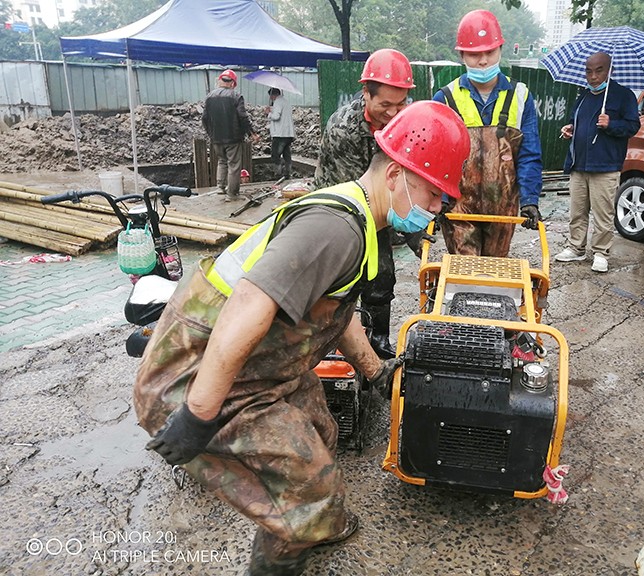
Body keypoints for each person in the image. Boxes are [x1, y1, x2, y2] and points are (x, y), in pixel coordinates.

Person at [134, 100, 471, 576]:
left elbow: (334, 309)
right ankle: (292, 542)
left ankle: (318, 523)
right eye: (434, 194)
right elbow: (248, 303)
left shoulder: (363, 218)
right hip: (194, 377)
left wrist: (376, 372)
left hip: (264, 366)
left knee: (322, 431)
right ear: (396, 174)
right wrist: (199, 414)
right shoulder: (335, 228)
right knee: (306, 489)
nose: (436, 209)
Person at [314, 48, 416, 359]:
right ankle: (331, 341)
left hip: (379, 205)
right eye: (385, 104)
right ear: (366, 94)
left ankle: (378, 339)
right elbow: (359, 197)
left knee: (382, 274)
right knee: (341, 279)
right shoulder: (344, 129)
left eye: (401, 103)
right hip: (339, 208)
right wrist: (399, 225)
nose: (394, 112)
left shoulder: (405, 122)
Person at [433, 9, 543, 257]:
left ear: (500, 49)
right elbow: (437, 157)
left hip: (503, 210)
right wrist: (438, 199)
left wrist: (530, 200)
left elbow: (529, 154)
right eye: (474, 54)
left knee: (495, 270)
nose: (483, 61)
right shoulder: (446, 98)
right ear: (462, 55)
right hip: (458, 209)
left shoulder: (521, 97)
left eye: (490, 52)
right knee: (465, 270)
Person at [554, 52, 640, 273]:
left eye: (599, 70)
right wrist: (570, 129)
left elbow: (633, 126)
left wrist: (612, 124)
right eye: (589, 71)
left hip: (605, 165)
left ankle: (601, 252)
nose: (593, 76)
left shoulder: (623, 95)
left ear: (610, 70)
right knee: (577, 211)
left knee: (603, 213)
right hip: (579, 163)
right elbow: (575, 121)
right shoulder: (583, 96)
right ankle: (576, 247)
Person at [202, 69, 258, 201]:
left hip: (216, 138)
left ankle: (220, 188)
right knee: (234, 165)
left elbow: (204, 118)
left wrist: (211, 134)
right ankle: (232, 194)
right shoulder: (236, 96)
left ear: (220, 80)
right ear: (233, 83)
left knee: (222, 161)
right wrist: (252, 133)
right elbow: (242, 117)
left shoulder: (209, 97)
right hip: (233, 138)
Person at [267, 87, 295, 180]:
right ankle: (288, 173)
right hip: (288, 133)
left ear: (273, 95)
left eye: (271, 96)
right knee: (286, 154)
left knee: (275, 154)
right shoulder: (286, 102)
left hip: (280, 133)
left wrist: (269, 113)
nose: (270, 98)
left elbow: (276, 116)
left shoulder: (278, 102)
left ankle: (278, 174)